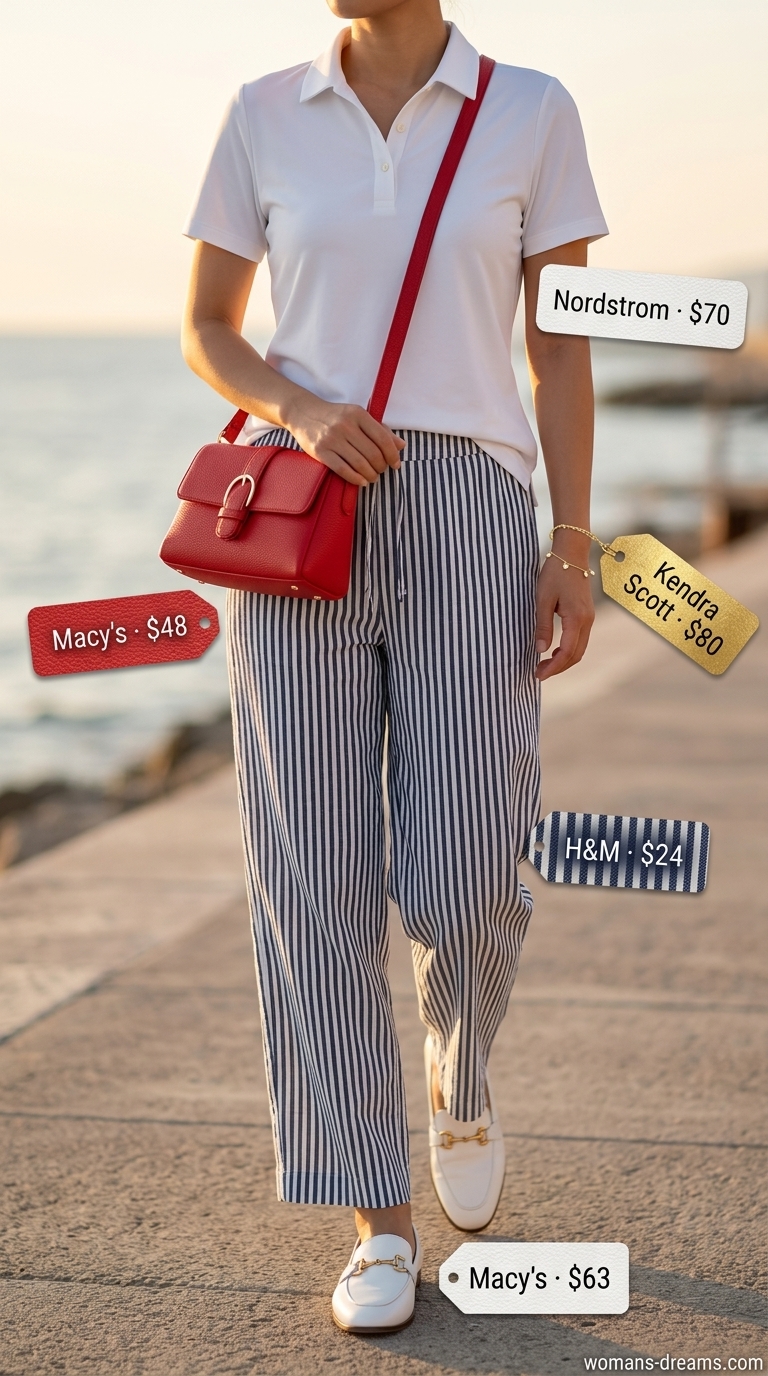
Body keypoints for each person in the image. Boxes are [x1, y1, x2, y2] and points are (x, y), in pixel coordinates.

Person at [181, 0, 607, 1336]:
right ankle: (375, 1214)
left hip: (476, 503)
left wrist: (575, 544)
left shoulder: (532, 109)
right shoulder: (262, 112)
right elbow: (208, 325)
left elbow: (564, 342)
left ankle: (458, 1058)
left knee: (465, 864)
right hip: (302, 508)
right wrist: (301, 408)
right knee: (310, 870)